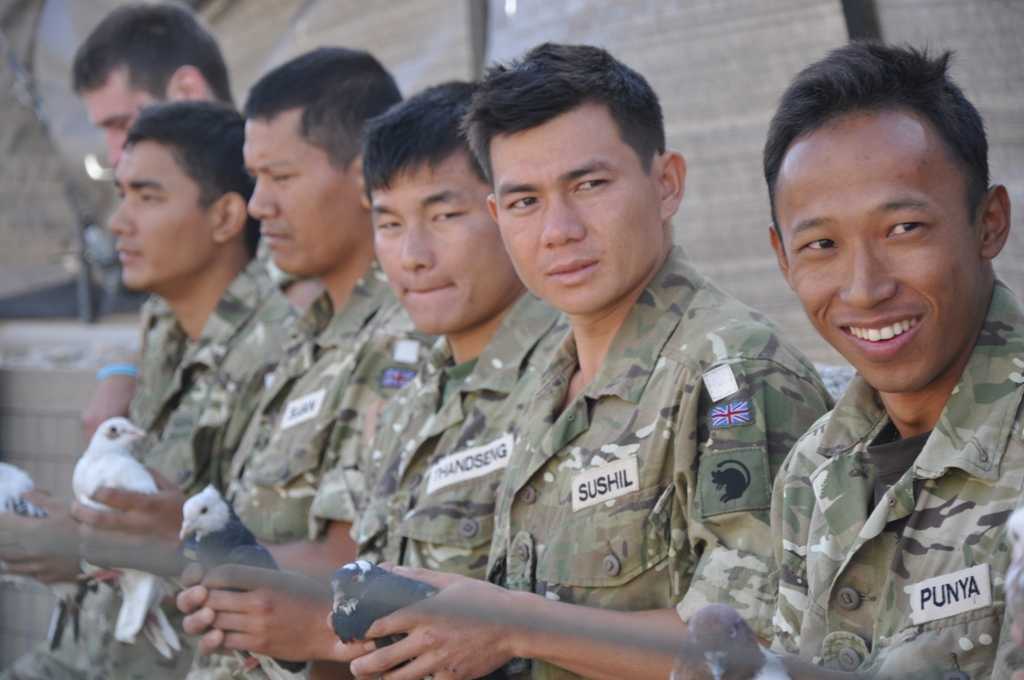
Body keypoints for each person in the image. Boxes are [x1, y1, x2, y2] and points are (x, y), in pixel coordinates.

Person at [346, 43, 832, 680]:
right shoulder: (547, 377)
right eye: (525, 202)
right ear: (498, 215)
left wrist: (513, 627)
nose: (559, 229)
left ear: (666, 184)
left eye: (589, 185)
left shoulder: (732, 372)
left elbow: (750, 643)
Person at [177, 80, 565, 665]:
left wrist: (316, 630)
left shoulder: (570, 380)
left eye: (445, 215)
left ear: (508, 209)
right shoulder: (413, 403)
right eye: (388, 224)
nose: (413, 254)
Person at [1, 102, 293, 679]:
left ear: (226, 216)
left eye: (146, 197)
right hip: (97, 652)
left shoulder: (282, 352)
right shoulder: (164, 324)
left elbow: (275, 569)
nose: (118, 221)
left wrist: (83, 550)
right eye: (121, 194)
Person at [759, 42, 1018, 679]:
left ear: (988, 223)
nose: (865, 288)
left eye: (903, 229)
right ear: (783, 260)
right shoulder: (813, 469)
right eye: (821, 244)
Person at [174, 48, 429, 675]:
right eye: (254, 178)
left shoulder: (410, 338)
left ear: (365, 178)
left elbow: (358, 558)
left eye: (280, 178)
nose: (258, 205)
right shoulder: (302, 333)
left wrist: (177, 550)